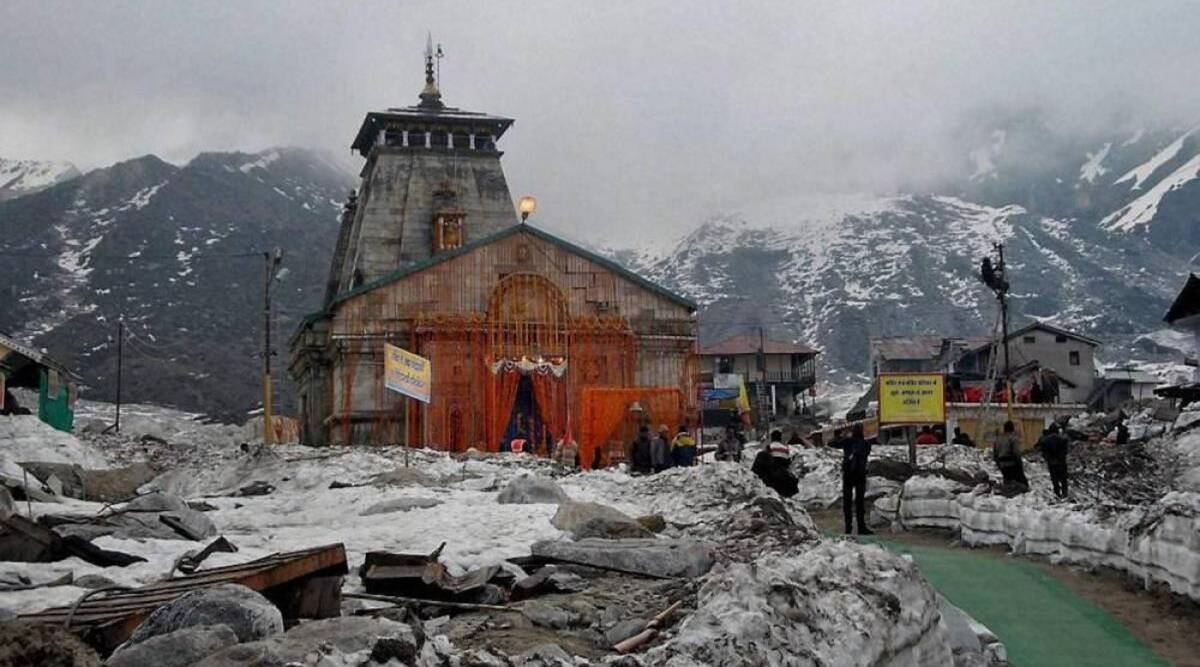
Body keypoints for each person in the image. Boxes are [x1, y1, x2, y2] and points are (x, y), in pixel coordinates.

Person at [831, 424, 873, 535]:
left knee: (847, 502)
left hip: (848, 474)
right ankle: (861, 527)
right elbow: (866, 453)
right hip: (860, 474)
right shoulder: (866, 443)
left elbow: (832, 443)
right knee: (860, 502)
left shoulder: (847, 442)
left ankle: (848, 528)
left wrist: (841, 435)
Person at [753, 429, 799, 497]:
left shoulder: (769, 447)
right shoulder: (785, 448)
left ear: (772, 438)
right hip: (783, 472)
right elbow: (787, 460)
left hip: (772, 471)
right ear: (780, 438)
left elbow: (766, 459)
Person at [1035, 423, 1070, 498]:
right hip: (1061, 462)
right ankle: (1065, 494)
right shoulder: (1062, 439)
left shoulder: (1045, 440)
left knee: (1055, 480)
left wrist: (1046, 457)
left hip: (1051, 462)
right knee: (1063, 479)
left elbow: (1040, 449)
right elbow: (1066, 450)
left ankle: (1057, 494)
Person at [992, 421, 1028, 490]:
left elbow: (995, 453)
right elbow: (1016, 453)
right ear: (1012, 429)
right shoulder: (1012, 438)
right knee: (1022, 483)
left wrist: (998, 464)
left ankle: (1007, 494)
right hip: (1012, 464)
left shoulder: (998, 439)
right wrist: (1019, 464)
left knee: (1007, 481)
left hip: (1002, 464)